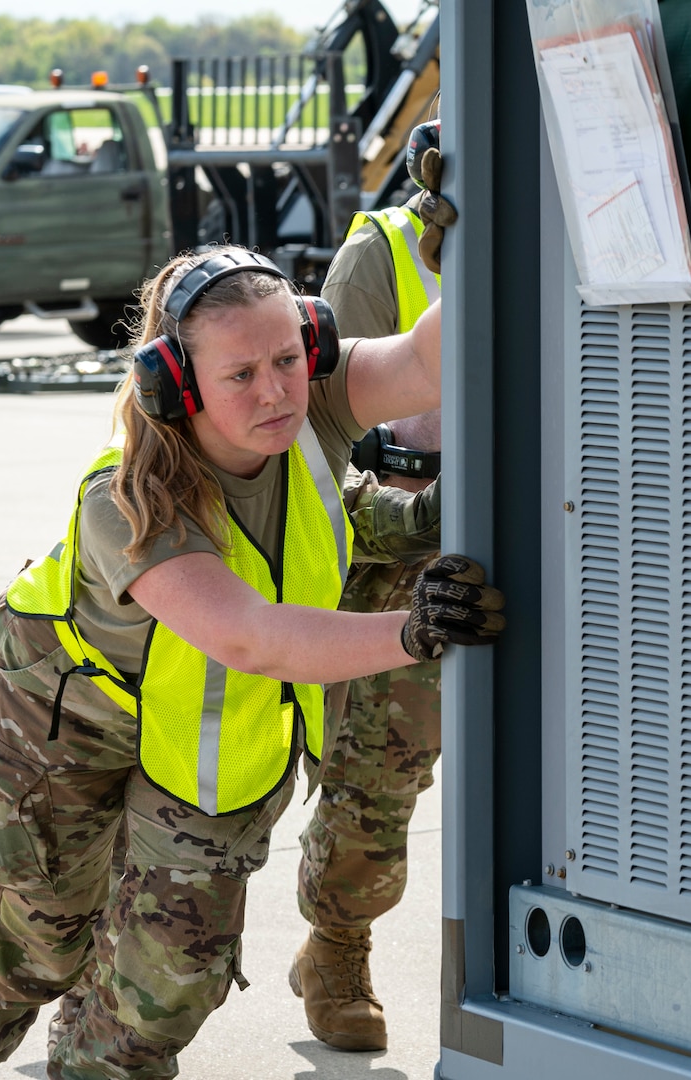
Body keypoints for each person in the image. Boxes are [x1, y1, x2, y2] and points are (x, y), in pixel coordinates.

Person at [0, 246, 503, 1080]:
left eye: (288, 360)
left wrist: (480, 222)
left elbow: (423, 356)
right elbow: (248, 636)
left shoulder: (315, 405)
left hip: (197, 742)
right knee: (38, 948)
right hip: (57, 729)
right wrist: (411, 633)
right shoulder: (127, 495)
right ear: (176, 384)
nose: (274, 392)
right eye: (239, 375)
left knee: (170, 983)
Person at [285, 118, 449, 1052]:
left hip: (550, 521)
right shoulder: (379, 252)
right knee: (381, 767)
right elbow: (326, 454)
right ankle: (337, 942)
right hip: (401, 546)